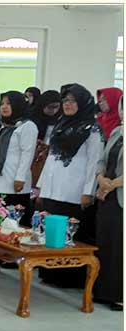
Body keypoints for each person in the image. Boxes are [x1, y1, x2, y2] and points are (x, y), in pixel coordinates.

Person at [36, 83, 103, 287]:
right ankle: (50, 273)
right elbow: (51, 158)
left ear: (82, 103)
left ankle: (70, 278)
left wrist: (88, 191)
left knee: (71, 235)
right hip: (53, 188)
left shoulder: (92, 129)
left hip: (75, 191)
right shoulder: (60, 125)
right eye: (65, 101)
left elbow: (95, 162)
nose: (68, 104)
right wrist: (42, 186)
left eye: (73, 101)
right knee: (50, 232)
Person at [0, 91, 37, 227]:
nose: (4, 107)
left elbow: (27, 153)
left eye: (8, 104)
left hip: (14, 181)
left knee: (12, 224)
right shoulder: (1, 125)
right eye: (2, 104)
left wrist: (20, 178)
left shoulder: (27, 126)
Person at [94, 95, 123, 311]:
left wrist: (111, 184)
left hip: (118, 194)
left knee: (120, 247)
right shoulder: (117, 131)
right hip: (108, 195)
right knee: (105, 243)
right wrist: (101, 179)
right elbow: (102, 160)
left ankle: (119, 294)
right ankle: (103, 291)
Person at [29, 90, 62, 189]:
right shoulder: (33, 117)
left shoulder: (62, 119)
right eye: (50, 107)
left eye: (56, 107)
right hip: (35, 156)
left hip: (53, 157)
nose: (53, 110)